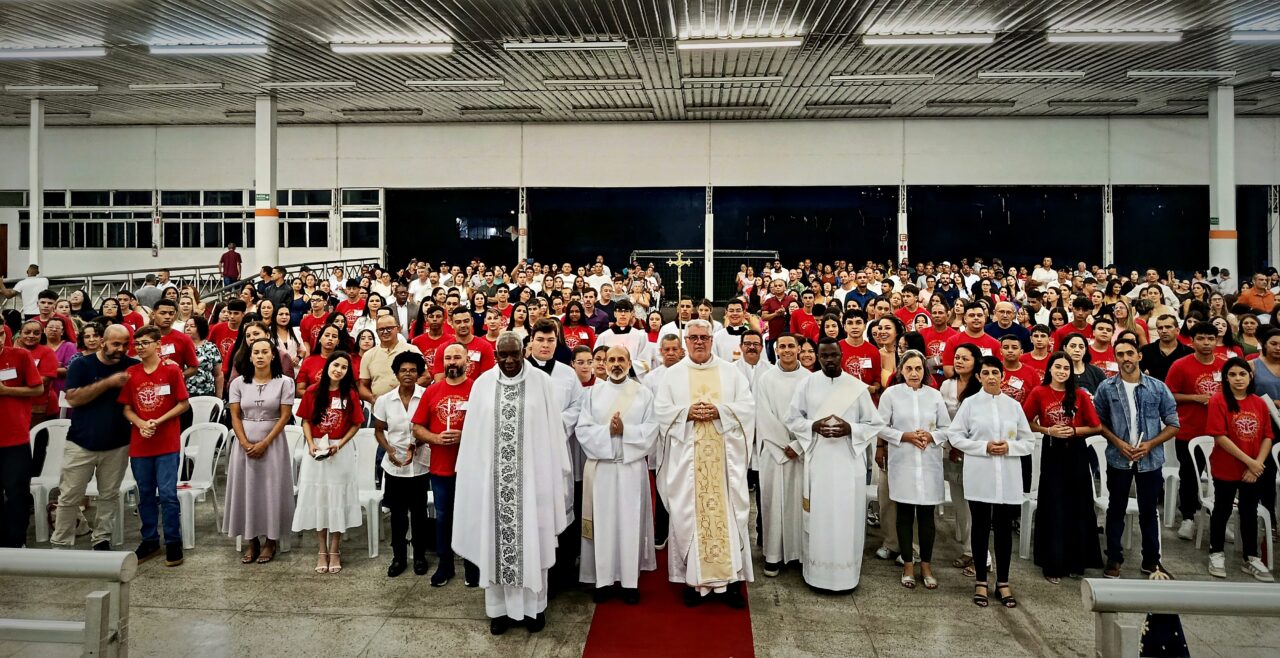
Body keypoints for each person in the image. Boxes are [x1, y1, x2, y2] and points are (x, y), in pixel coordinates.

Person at [453, 332, 571, 635]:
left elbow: (553, 435)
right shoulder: (482, 386)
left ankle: (534, 609)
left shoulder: (541, 383)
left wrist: (554, 475)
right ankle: (499, 611)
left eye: (514, 355)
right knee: (493, 543)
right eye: (502, 355)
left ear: (524, 352)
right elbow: (474, 439)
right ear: (494, 356)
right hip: (493, 486)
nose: (508, 361)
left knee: (534, 541)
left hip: (533, 483)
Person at [655, 318, 755, 608]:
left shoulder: (731, 373)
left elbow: (747, 408)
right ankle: (694, 582)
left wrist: (719, 411)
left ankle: (732, 583)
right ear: (686, 341)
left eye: (705, 337)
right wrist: (686, 413)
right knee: (690, 517)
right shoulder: (672, 376)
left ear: (713, 340)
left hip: (724, 463)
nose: (699, 342)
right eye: (694, 337)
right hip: (688, 462)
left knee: (728, 516)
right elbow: (661, 412)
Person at [784, 338, 886, 592]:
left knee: (847, 515)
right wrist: (813, 426)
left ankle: (846, 576)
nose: (829, 360)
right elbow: (792, 418)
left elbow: (875, 424)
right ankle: (816, 574)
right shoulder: (806, 384)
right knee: (819, 516)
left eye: (833, 355)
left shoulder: (856, 388)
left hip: (848, 462)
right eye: (824, 356)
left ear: (841, 354)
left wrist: (851, 429)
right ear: (818, 357)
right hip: (819, 461)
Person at [946, 356, 1034, 608]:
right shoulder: (971, 404)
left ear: (1002, 376)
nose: (992, 377)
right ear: (979, 377)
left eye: (996, 372)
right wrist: (983, 447)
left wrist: (1009, 446)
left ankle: (1003, 582)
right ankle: (981, 582)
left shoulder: (1013, 406)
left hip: (1007, 473)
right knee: (981, 527)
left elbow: (1028, 442)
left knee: (1004, 530)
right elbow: (955, 435)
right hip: (980, 472)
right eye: (986, 373)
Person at [575, 345, 658, 604]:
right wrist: (608, 433)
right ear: (604, 363)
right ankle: (603, 581)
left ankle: (629, 582)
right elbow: (583, 429)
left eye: (621, 359)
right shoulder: (592, 394)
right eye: (611, 359)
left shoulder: (643, 394)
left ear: (630, 362)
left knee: (629, 524)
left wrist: (626, 432)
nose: (616, 364)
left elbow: (652, 429)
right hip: (603, 469)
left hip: (631, 467)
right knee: (603, 524)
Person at [1094, 337, 1179, 580]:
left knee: (1148, 510)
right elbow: (1099, 423)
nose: (1126, 358)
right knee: (1116, 508)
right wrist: (1118, 443)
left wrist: (1150, 444)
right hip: (1119, 457)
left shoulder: (1157, 387)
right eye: (1120, 354)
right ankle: (1114, 558)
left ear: (1139, 356)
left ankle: (1152, 561)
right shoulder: (1106, 388)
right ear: (1115, 358)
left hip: (1149, 460)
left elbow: (1173, 424)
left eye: (1130, 353)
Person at [1022, 352, 1103, 583]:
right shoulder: (1039, 392)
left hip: (1076, 453)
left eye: (1066, 368)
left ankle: (1077, 562)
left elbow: (1095, 426)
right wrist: (1049, 430)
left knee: (1077, 505)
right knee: (1054, 506)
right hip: (1052, 451)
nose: (1061, 372)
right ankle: (1053, 563)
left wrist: (1075, 431)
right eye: (1057, 367)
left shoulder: (1079, 395)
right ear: (1050, 369)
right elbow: (1026, 421)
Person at [52, 325, 134, 550]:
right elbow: (74, 399)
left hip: (117, 443)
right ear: (102, 342)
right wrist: (108, 383)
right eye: (116, 344)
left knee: (108, 495)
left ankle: (102, 539)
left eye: (126, 344)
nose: (121, 349)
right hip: (81, 442)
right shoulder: (81, 365)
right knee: (69, 495)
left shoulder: (132, 366)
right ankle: (61, 542)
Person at [877, 349, 950, 590]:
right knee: (905, 514)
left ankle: (926, 565)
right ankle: (908, 564)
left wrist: (931, 435)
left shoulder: (934, 395)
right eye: (909, 368)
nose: (914, 373)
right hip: (904, 461)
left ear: (925, 371)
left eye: (918, 368)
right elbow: (880, 426)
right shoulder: (891, 395)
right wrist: (904, 436)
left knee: (927, 517)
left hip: (928, 463)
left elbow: (946, 428)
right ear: (901, 371)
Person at [119, 325, 191, 566]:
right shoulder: (131, 372)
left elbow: (183, 404)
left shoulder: (171, 371)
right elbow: (127, 407)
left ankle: (173, 541)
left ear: (158, 345)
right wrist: (140, 423)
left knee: (168, 495)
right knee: (146, 494)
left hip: (166, 442)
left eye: (145, 343)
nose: (140, 347)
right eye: (137, 343)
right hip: (141, 443)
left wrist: (157, 421)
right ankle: (149, 539)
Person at [292, 351, 365, 575]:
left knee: (337, 499)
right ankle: (321, 550)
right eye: (336, 365)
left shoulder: (349, 394)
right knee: (320, 499)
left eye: (344, 367)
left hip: (339, 452)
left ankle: (335, 549)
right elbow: (305, 420)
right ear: (328, 366)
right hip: (316, 450)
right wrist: (310, 444)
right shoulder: (313, 391)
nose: (339, 370)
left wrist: (340, 444)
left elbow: (356, 424)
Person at [1204, 357, 1275, 582]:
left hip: (1253, 469)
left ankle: (1251, 557)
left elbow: (1267, 436)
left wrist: (1257, 465)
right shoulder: (1218, 400)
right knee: (1222, 509)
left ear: (1250, 376)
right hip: (1227, 467)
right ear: (1226, 378)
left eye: (1242, 374)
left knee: (1249, 511)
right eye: (1233, 375)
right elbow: (1220, 436)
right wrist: (1249, 462)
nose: (1238, 379)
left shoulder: (1259, 402)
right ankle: (1216, 552)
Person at [225, 338, 295, 564]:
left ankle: (271, 540)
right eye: (256, 352)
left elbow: (285, 415)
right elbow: (235, 415)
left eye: (265, 352)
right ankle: (251, 540)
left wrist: (265, 442)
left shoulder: (284, 382)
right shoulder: (237, 384)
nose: (260, 356)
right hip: (244, 444)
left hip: (272, 443)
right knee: (247, 490)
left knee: (270, 490)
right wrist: (244, 442)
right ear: (250, 355)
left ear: (273, 355)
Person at [1166, 322, 1227, 540]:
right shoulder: (1180, 365)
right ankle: (1188, 518)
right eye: (1201, 338)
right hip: (1189, 431)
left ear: (1216, 341)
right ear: (1192, 341)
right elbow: (1170, 395)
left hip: (1220, 433)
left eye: (1211, 339)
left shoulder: (1224, 366)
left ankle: (1217, 516)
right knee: (1190, 476)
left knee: (1220, 478)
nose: (1206, 343)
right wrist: (1195, 398)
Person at [754, 333, 809, 577]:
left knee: (800, 504)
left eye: (791, 346)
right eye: (782, 346)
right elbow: (761, 414)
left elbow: (813, 416)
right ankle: (773, 556)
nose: (786, 350)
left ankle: (799, 553)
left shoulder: (810, 379)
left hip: (801, 453)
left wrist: (798, 445)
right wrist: (782, 445)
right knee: (773, 503)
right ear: (775, 350)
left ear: (799, 349)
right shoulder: (765, 379)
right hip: (774, 452)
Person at [374, 351, 430, 578]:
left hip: (419, 464)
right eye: (403, 370)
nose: (408, 374)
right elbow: (379, 431)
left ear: (419, 373)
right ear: (396, 373)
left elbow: (428, 427)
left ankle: (419, 556)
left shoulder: (426, 396)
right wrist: (389, 450)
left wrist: (414, 446)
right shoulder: (384, 400)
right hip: (394, 464)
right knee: (397, 514)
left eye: (413, 370)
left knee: (419, 513)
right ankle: (398, 557)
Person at [0, 326, 45, 547]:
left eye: (0, 334)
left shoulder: (20, 355)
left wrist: (7, 391)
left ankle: (16, 543)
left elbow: (37, 390)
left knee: (17, 493)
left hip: (14, 439)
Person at [358, 314, 421, 403]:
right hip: (379, 409)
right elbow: (363, 385)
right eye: (381, 329)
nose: (385, 332)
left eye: (389, 328)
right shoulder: (368, 355)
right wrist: (373, 399)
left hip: (409, 405)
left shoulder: (412, 350)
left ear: (397, 329)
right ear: (376, 332)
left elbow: (425, 377)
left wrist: (406, 392)